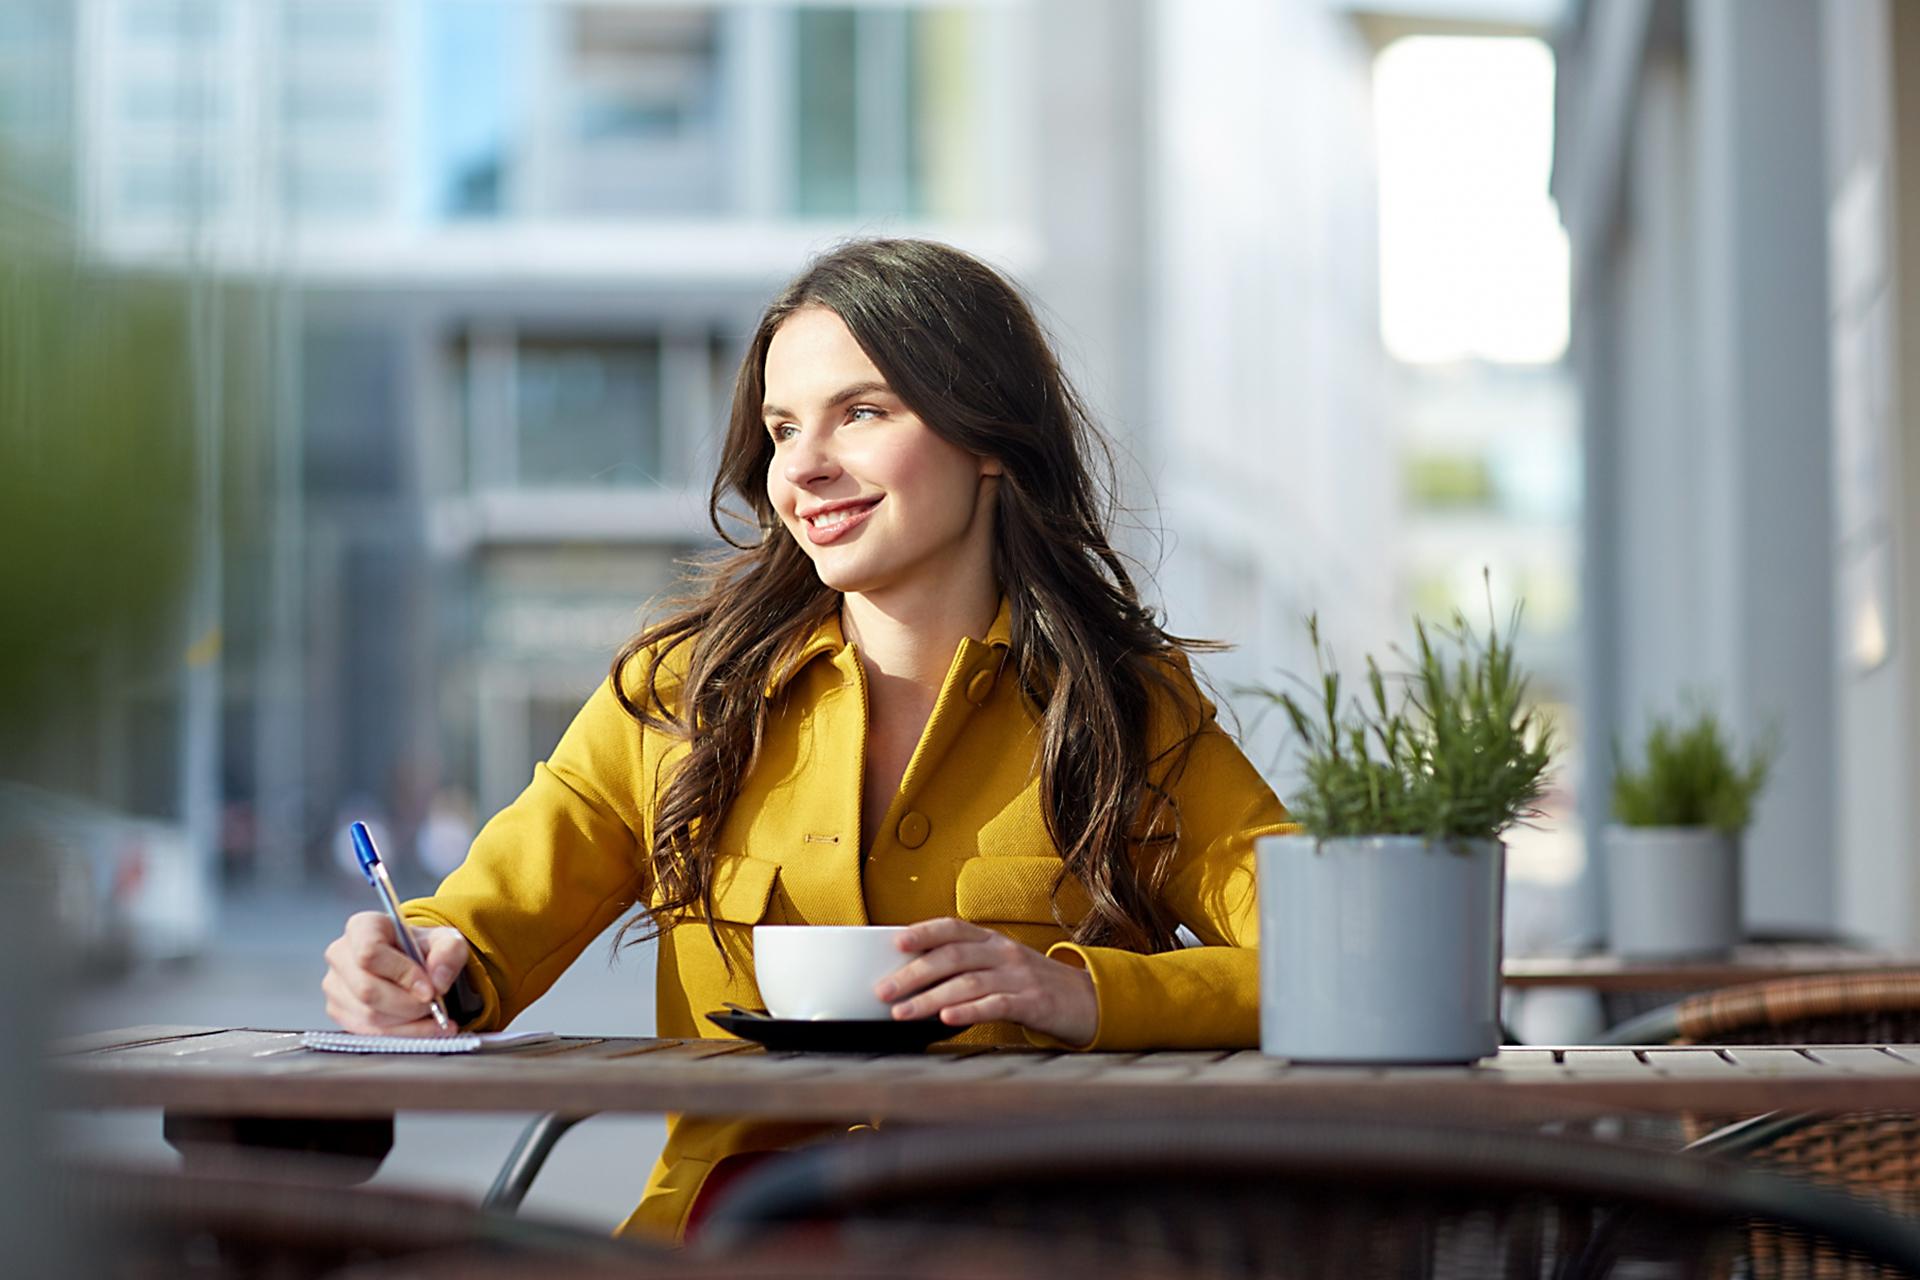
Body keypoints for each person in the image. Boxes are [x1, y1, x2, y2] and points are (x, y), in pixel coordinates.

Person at [320, 238, 1294, 1243]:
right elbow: (472, 934)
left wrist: (1081, 992)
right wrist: (412, 963)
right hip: (732, 1243)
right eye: (784, 428)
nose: (806, 467)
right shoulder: (673, 698)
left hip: (1023, 1240)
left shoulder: (1126, 709)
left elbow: (1325, 956)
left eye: (862, 412)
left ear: (990, 436)